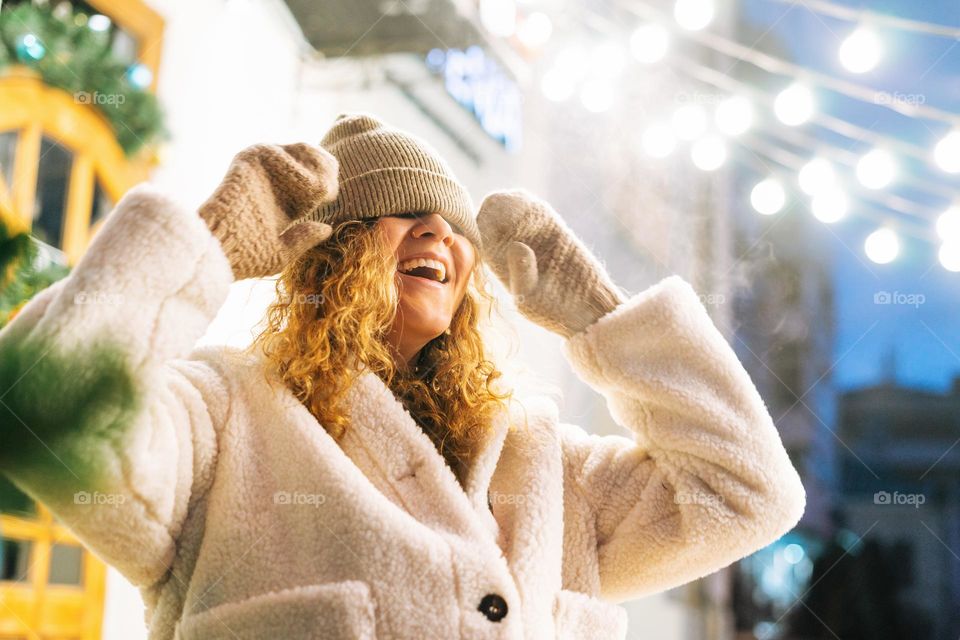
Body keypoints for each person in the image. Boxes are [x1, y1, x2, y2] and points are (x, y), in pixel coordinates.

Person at [0, 113, 806, 639]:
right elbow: (40, 409)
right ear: (334, 252)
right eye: (402, 213)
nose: (441, 233)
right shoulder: (223, 417)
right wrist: (209, 244)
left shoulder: (545, 466)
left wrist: (603, 318)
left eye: (455, 226)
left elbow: (749, 494)